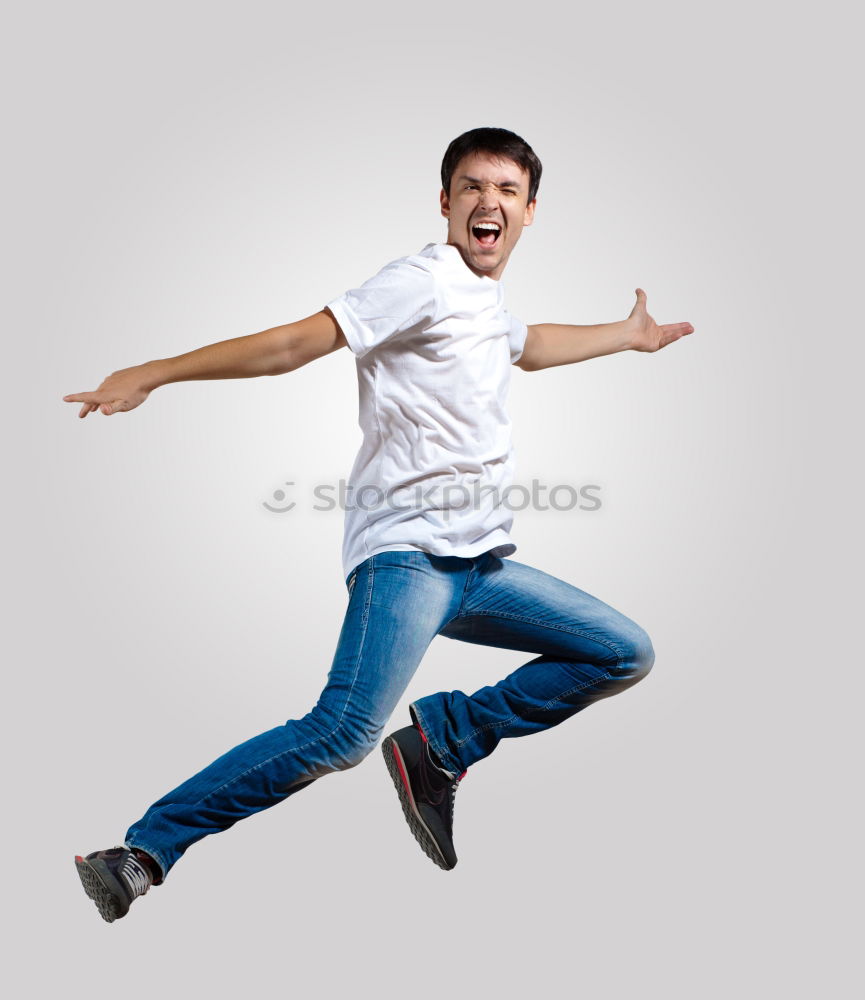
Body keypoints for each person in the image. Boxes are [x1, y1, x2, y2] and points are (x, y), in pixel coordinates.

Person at [65, 127, 694, 923]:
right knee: (339, 733)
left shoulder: (481, 300)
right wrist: (152, 373)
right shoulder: (422, 281)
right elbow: (294, 344)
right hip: (406, 559)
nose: (487, 202)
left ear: (529, 211)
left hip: (479, 567)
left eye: (505, 190)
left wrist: (627, 336)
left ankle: (445, 739)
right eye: (471, 187)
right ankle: (142, 853)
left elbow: (528, 346)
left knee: (620, 650)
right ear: (445, 202)